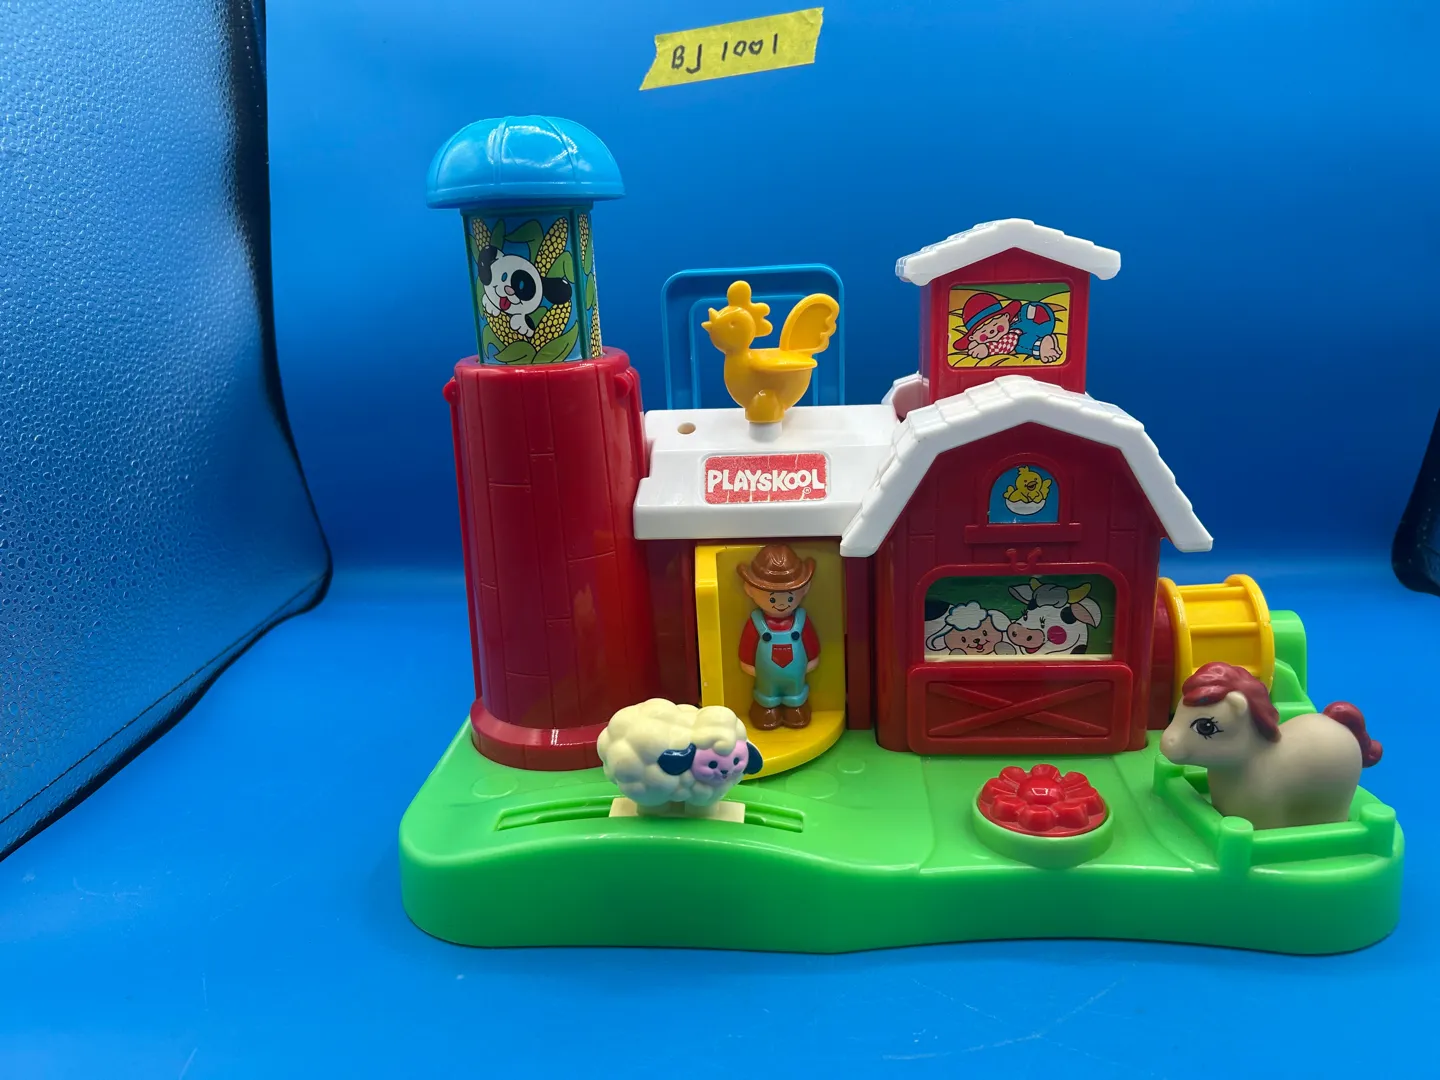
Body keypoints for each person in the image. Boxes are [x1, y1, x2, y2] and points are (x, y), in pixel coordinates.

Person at [736, 544, 820, 730]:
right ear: (749, 590)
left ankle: (795, 708)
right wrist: (747, 663)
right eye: (773, 598)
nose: (781, 604)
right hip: (766, 678)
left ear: (805, 589)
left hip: (796, 677)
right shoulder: (756, 622)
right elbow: (748, 645)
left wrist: (813, 658)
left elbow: (810, 642)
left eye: (789, 597)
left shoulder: (801, 620)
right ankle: (766, 709)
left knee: (795, 693)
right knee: (766, 694)